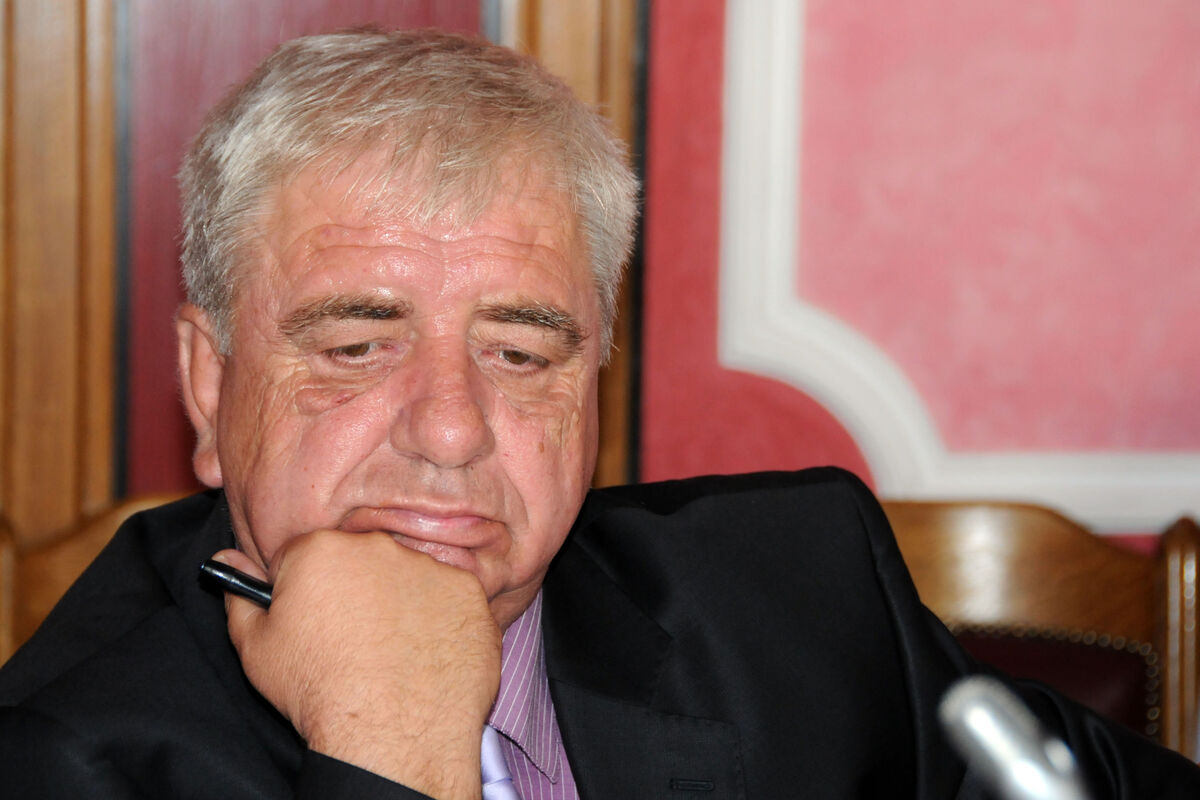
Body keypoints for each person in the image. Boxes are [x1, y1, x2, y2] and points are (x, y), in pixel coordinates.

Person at [0, 28, 1196, 799]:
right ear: (210, 382)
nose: (452, 429)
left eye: (521, 352)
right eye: (358, 346)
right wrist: (389, 750)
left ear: (596, 384)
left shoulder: (800, 596)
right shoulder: (63, 756)